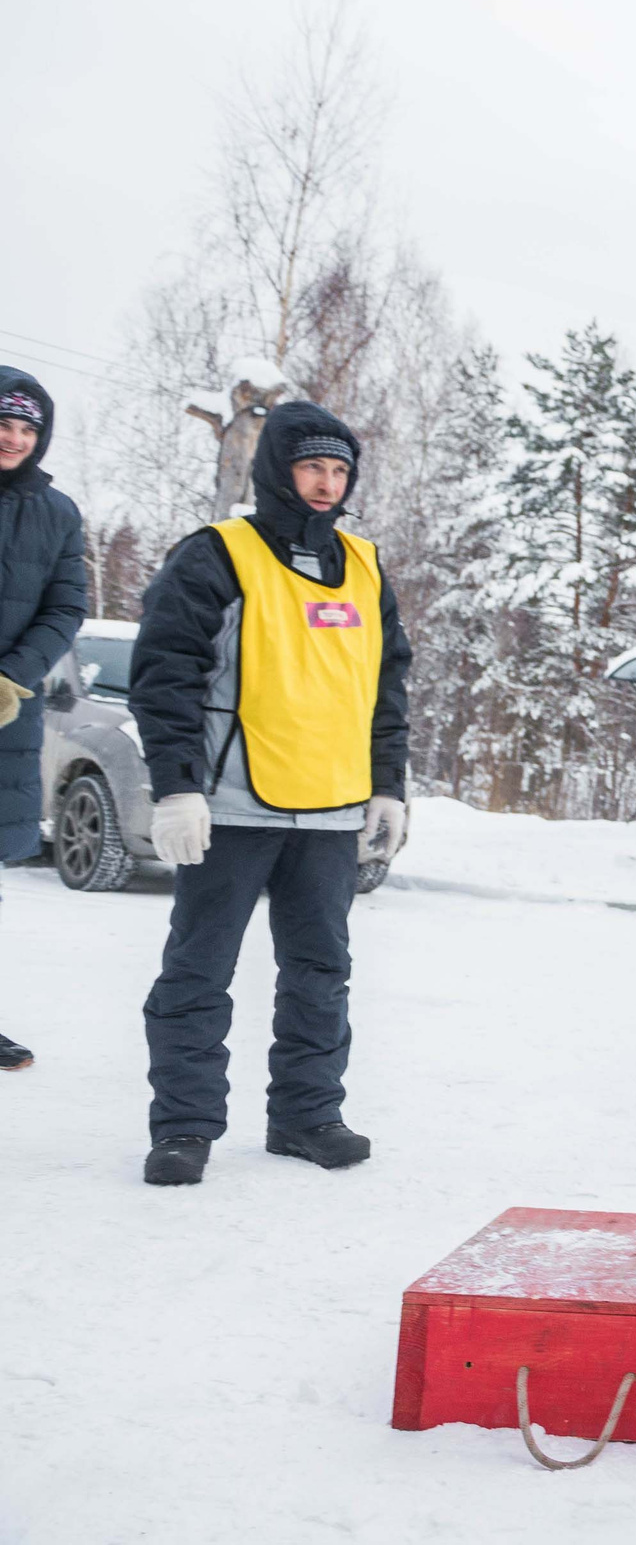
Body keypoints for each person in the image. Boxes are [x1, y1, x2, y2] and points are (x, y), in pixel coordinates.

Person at [130, 401, 413, 1187]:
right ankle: (184, 1126)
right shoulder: (217, 555)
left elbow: (386, 689)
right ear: (277, 471)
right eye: (311, 467)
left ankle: (306, 1114)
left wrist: (387, 788)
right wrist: (177, 787)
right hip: (230, 805)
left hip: (330, 809)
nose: (325, 484)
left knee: (321, 970)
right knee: (198, 969)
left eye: (339, 470)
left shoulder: (364, 564)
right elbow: (164, 677)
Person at [0, 368, 90, 1072]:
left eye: (28, 428)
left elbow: (64, 607)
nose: (14, 436)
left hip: (5, 711)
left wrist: (13, 674)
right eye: (5, 423)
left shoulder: (59, 515)